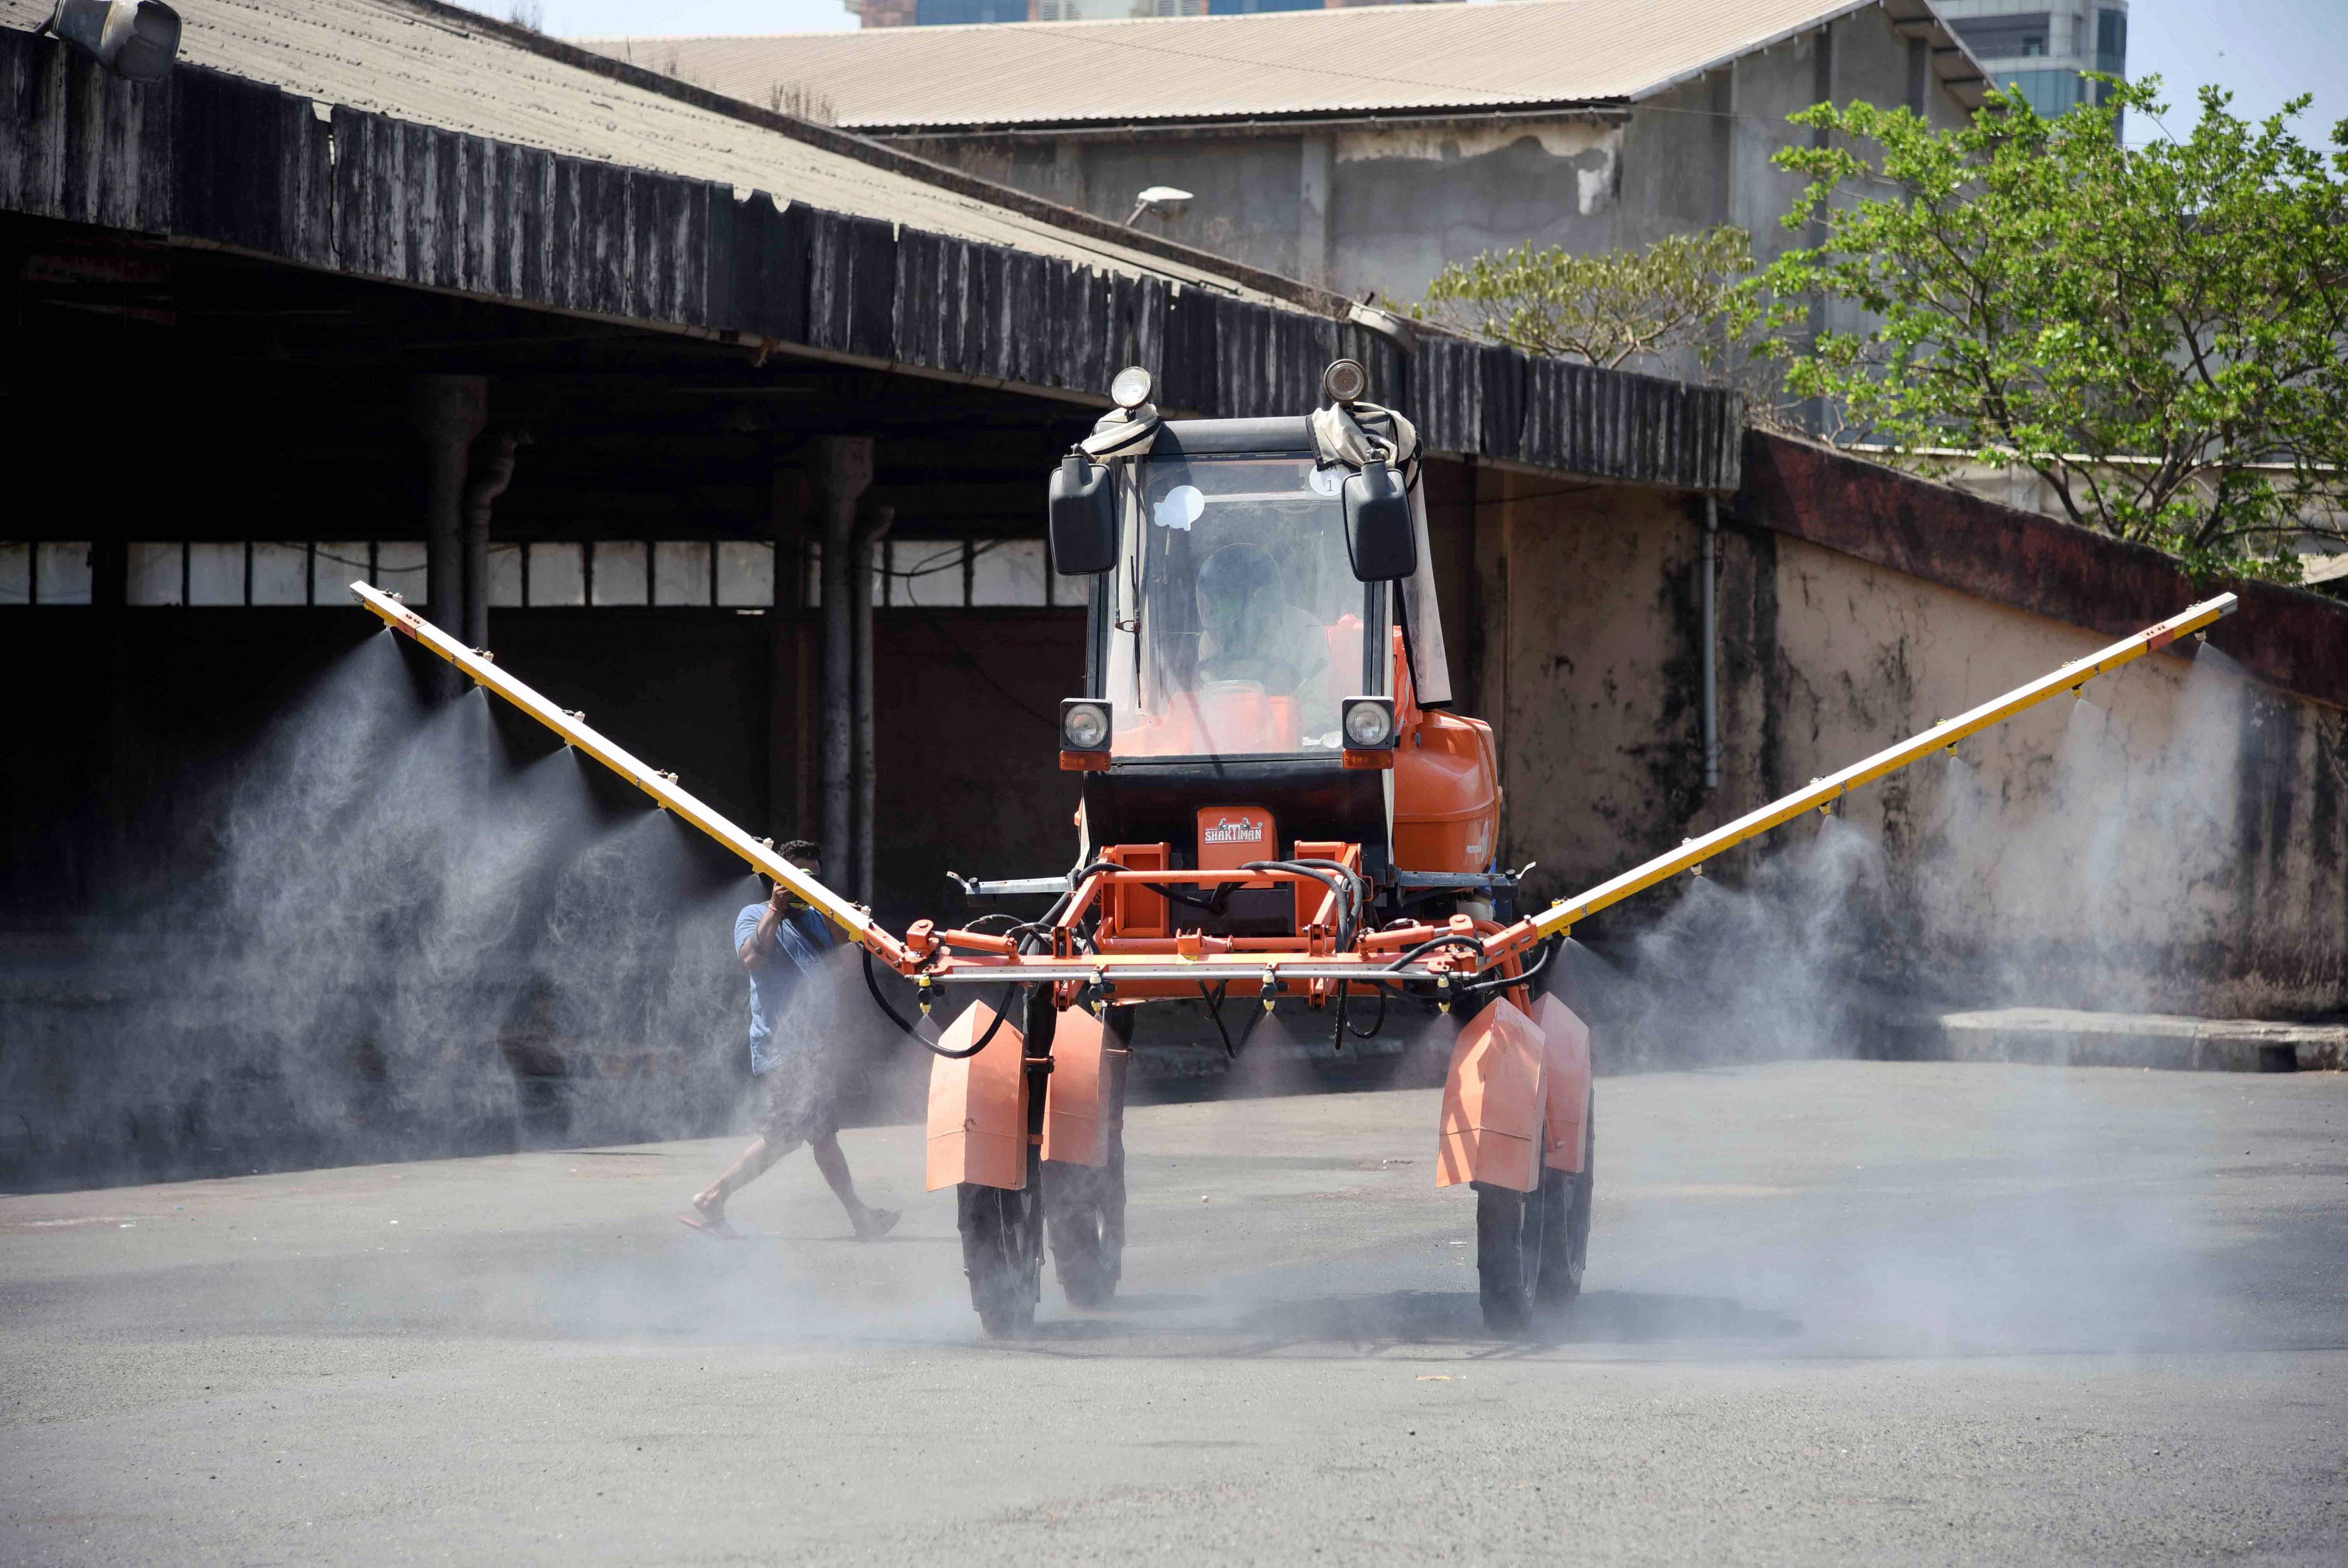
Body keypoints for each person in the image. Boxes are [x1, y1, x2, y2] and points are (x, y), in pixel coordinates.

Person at [681, 841, 899, 1241]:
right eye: (798, 877)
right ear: (777, 878)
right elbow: (751, 958)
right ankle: (716, 1196)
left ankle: (717, 1196)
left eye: (812, 878)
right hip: (782, 1049)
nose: (805, 885)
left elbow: (848, 963)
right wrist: (776, 910)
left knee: (804, 1137)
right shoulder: (753, 915)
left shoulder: (816, 921)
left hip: (811, 1049)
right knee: (803, 1137)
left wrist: (855, 924)